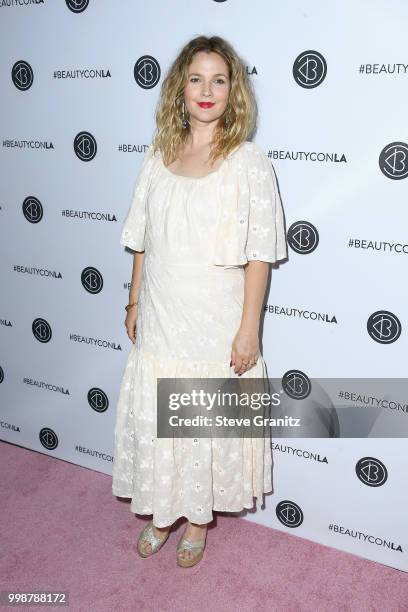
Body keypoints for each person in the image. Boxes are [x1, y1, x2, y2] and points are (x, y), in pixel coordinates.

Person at [112, 35, 288, 568]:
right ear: (179, 89)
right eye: (195, 79)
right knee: (161, 410)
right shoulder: (158, 154)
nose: (206, 90)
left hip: (215, 316)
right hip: (164, 311)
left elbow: (259, 255)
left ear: (233, 90)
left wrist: (248, 328)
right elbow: (141, 237)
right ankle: (163, 512)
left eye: (218, 79)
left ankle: (196, 521)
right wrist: (134, 299)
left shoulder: (249, 162)